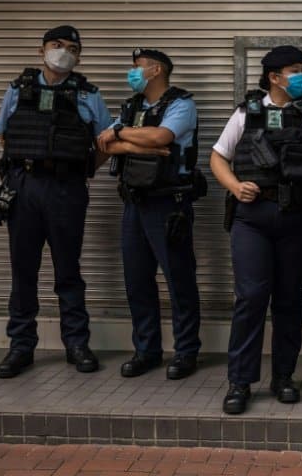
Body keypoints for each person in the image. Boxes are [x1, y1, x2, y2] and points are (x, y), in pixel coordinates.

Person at [210, 45, 302, 414]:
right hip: (253, 218)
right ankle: (240, 381)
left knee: (289, 300)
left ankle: (284, 377)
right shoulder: (248, 112)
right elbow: (217, 157)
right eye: (295, 70)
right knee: (251, 297)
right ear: (274, 77)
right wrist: (233, 186)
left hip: (298, 218)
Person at [0, 25, 112, 378]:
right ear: (42, 49)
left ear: (79, 56)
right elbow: (3, 135)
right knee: (23, 270)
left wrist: (80, 169)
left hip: (66, 189)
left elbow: (104, 143)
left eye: (72, 48)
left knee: (68, 271)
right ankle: (21, 346)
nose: (63, 52)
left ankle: (76, 344)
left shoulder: (88, 94)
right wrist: (28, 164)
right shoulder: (18, 89)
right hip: (24, 186)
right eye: (57, 45)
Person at [96, 48, 204, 380]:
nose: (131, 73)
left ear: (155, 70)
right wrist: (128, 142)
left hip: (168, 203)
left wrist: (120, 133)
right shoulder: (131, 107)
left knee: (178, 279)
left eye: (136, 68)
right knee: (137, 280)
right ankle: (147, 350)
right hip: (134, 204)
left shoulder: (181, 104)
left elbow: (162, 137)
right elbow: (104, 144)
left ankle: (185, 352)